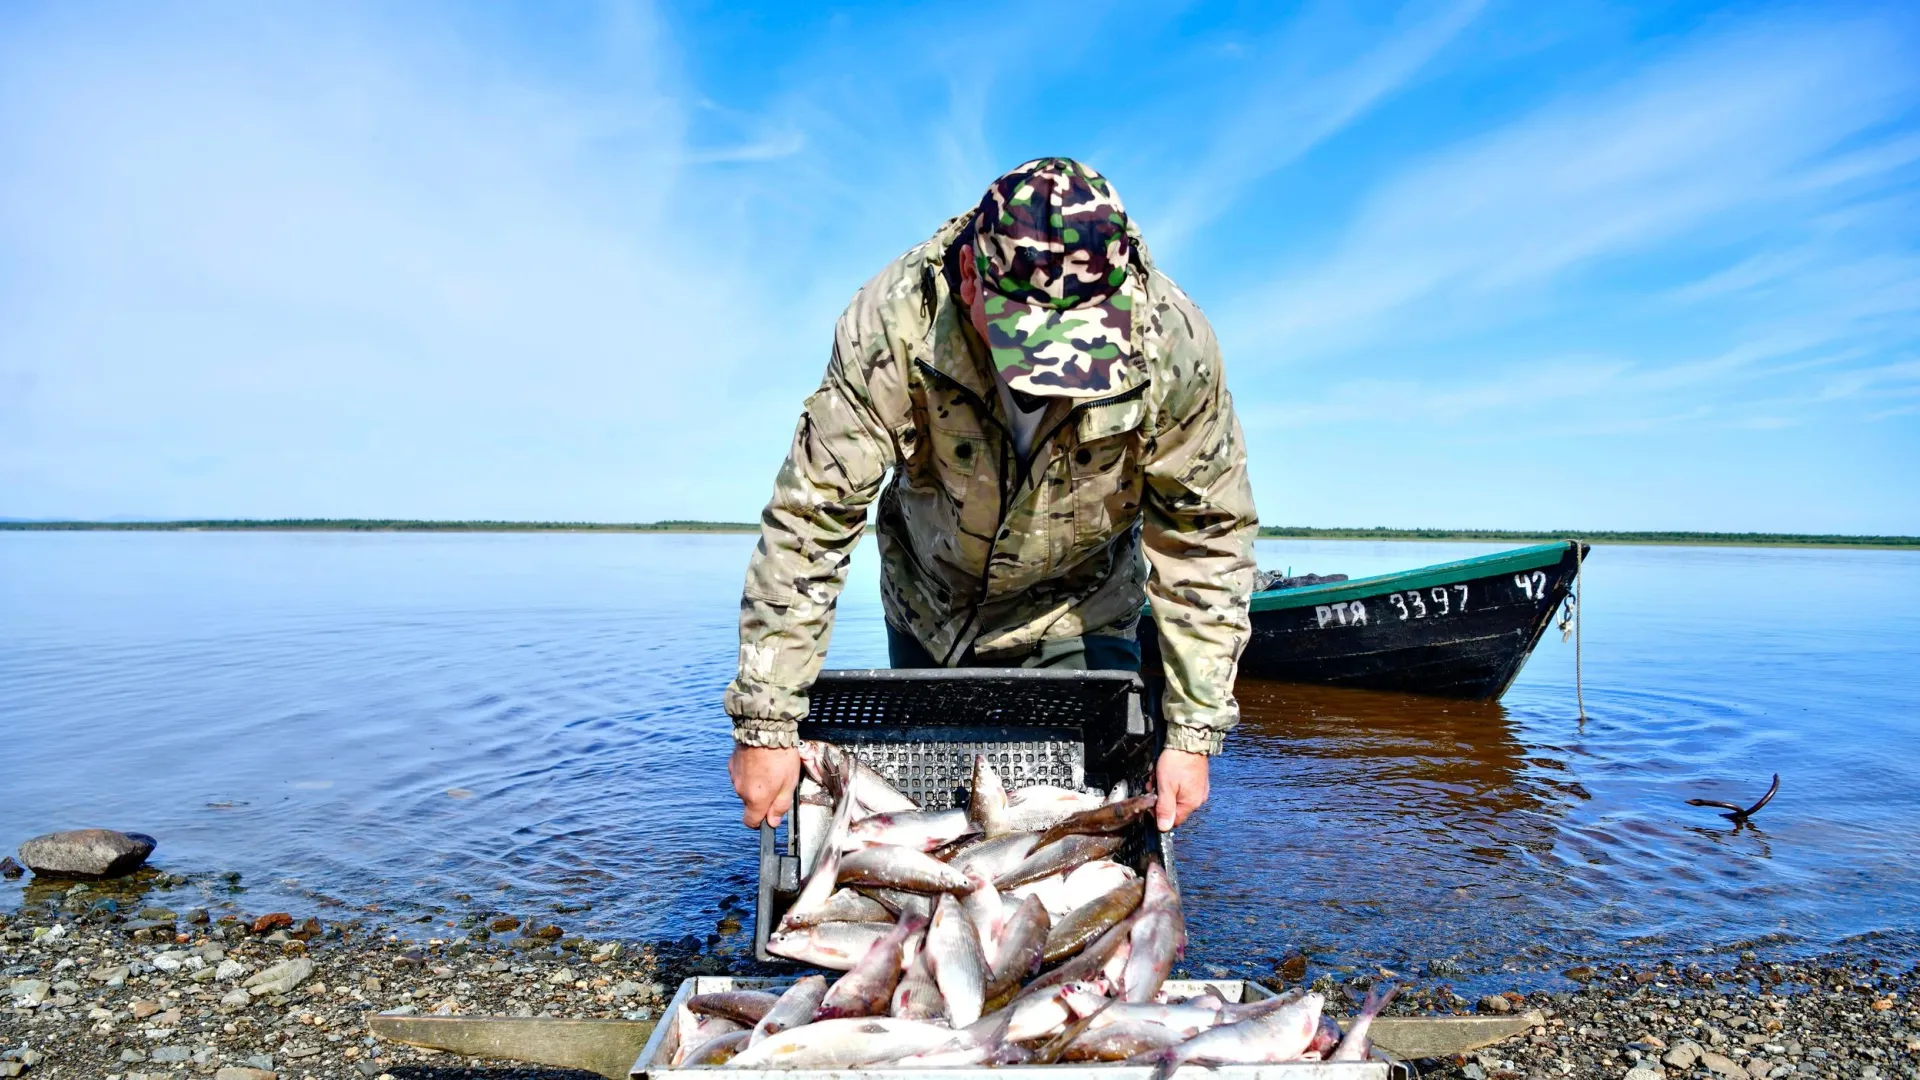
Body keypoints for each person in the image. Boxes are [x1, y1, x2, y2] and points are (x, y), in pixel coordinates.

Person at [723, 157, 1257, 834]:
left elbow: (1204, 533)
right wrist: (768, 721)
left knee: (1089, 808)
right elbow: (813, 518)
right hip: (932, 602)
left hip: (1079, 606)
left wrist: (1193, 733)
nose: (1055, 379)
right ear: (972, 279)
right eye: (1031, 342)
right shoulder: (893, 323)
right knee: (939, 792)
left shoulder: (1173, 347)